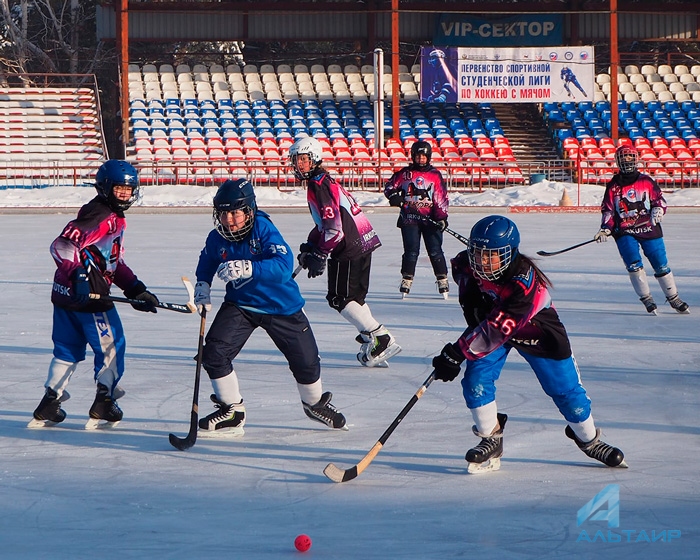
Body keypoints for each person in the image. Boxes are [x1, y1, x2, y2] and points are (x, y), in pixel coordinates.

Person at [430, 215, 626, 473]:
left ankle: (588, 439)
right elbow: (474, 303)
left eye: (492, 255)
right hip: (494, 328)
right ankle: (491, 437)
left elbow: (499, 328)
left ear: (510, 253)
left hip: (537, 333)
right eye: (478, 253)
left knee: (568, 395)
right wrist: (473, 325)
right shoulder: (465, 265)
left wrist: (457, 351)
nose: (483, 262)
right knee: (475, 382)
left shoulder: (525, 284)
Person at [192, 178, 347, 436]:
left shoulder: (263, 229)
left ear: (249, 210)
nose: (229, 220)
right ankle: (232, 411)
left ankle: (314, 403)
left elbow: (284, 267)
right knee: (214, 354)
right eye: (223, 213)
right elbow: (208, 259)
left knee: (307, 364)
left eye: (235, 213)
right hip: (241, 304)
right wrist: (202, 285)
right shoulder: (217, 237)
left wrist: (250, 267)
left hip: (281, 307)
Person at [29, 160, 160, 429]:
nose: (125, 194)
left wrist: (136, 289)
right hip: (91, 298)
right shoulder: (102, 216)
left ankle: (50, 402)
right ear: (104, 188)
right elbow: (62, 245)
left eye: (128, 189)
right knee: (112, 348)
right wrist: (78, 277)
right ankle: (103, 402)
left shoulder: (104, 214)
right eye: (119, 189)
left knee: (66, 351)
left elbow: (110, 262)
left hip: (65, 296)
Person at [288, 136, 401, 368]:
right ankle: (373, 338)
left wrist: (320, 253)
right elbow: (327, 223)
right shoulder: (323, 180)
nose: (299, 164)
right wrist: (312, 244)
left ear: (315, 159)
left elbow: (335, 229)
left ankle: (381, 337)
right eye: (296, 160)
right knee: (355, 299)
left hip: (349, 246)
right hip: (362, 241)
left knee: (340, 299)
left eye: (303, 159)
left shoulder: (319, 185)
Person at [594, 145, 689, 315]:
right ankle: (646, 298)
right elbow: (608, 210)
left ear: (636, 160)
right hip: (625, 232)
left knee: (660, 264)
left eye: (630, 158)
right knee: (633, 264)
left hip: (649, 229)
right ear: (618, 162)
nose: (627, 162)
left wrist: (658, 209)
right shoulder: (613, 186)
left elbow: (659, 200)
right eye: (624, 158)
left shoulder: (646, 181)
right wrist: (605, 229)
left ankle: (673, 297)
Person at [384, 140, 450, 299]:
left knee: (435, 251)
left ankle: (442, 278)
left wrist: (442, 217)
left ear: (429, 157)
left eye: (424, 156)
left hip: (430, 220)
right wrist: (394, 196)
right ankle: (407, 278)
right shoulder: (405, 174)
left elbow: (440, 197)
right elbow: (389, 186)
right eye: (418, 156)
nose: (421, 159)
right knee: (411, 251)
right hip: (409, 219)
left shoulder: (434, 175)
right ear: (413, 156)